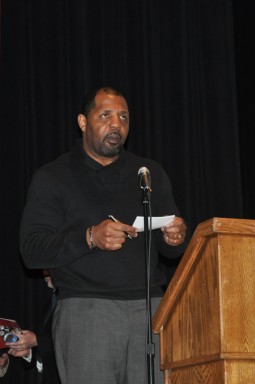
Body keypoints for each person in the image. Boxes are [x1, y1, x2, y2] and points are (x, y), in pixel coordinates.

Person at [19, 86, 188, 384]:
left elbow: (170, 252)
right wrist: (90, 237)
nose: (117, 125)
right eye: (106, 115)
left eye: (123, 117)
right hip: (87, 311)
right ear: (83, 122)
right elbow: (32, 251)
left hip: (151, 310)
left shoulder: (148, 174)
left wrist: (174, 238)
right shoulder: (53, 177)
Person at [1, 272, 60, 383]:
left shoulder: (71, 301)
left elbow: (74, 341)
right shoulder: (53, 299)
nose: (44, 271)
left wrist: (36, 341)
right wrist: (28, 353)